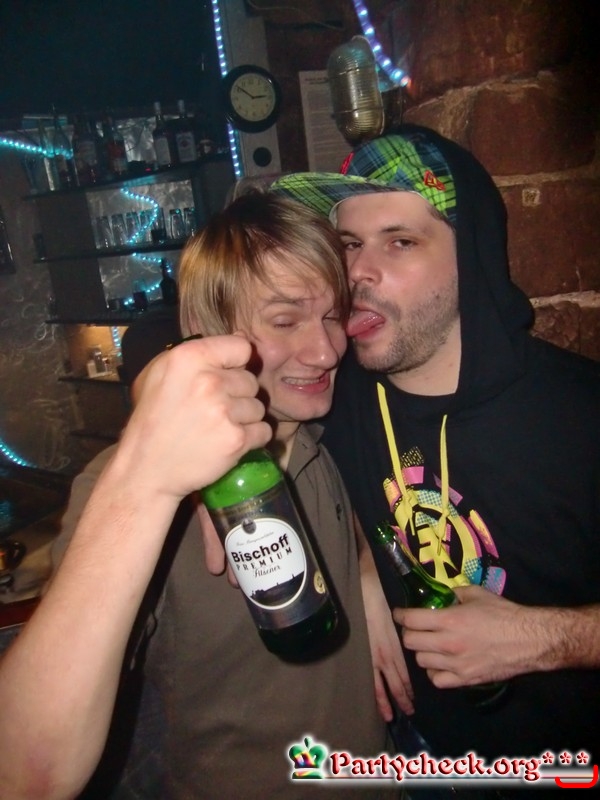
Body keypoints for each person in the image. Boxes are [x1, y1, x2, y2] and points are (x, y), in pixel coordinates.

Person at [0, 193, 398, 800]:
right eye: (285, 321)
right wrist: (146, 482)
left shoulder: (322, 429)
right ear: (209, 336)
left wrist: (364, 573)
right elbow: (26, 773)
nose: (326, 351)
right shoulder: (138, 489)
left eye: (332, 315)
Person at [271, 125, 600, 775]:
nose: (356, 272)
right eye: (348, 244)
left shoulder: (581, 414)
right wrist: (361, 565)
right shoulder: (329, 396)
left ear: (470, 256)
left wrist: (544, 638)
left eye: (400, 241)